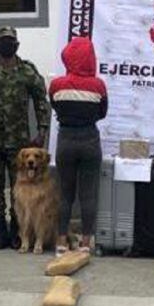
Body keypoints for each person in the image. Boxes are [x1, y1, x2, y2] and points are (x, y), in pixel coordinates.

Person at [0, 27, 51, 250]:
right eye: (3, 41)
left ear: (17, 45)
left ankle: (17, 232)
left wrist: (42, 130)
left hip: (19, 146)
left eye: (10, 41)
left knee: (19, 191)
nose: (7, 45)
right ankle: (0, 232)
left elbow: (41, 101)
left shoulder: (27, 72)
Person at [49, 37, 108, 255]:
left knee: (65, 193)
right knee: (88, 194)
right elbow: (102, 112)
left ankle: (61, 241)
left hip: (66, 139)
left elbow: (54, 105)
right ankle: (85, 242)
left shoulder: (56, 85)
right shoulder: (98, 86)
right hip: (89, 139)